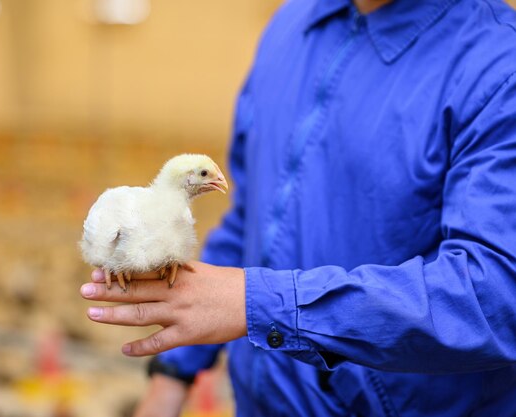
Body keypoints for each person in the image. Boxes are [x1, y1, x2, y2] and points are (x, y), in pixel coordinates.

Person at [80, 0, 516, 415]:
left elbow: (496, 293)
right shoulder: (291, 26)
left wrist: (259, 304)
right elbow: (249, 220)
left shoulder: (497, 65)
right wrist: (172, 375)